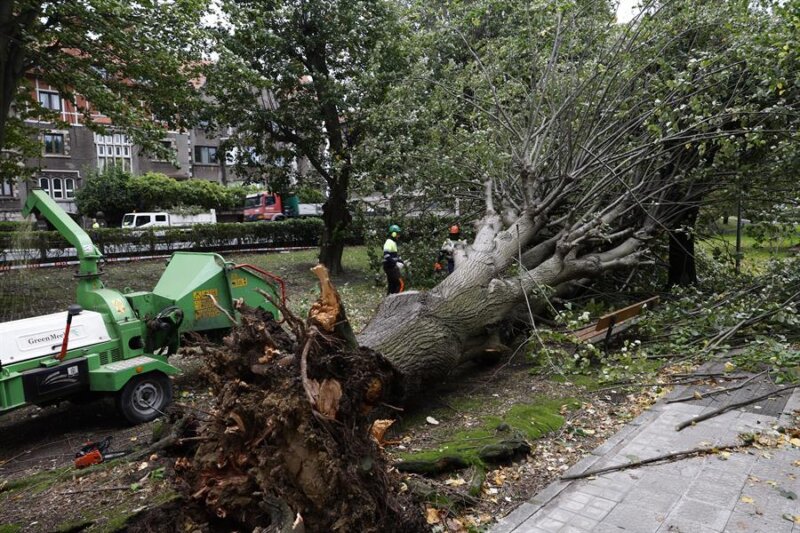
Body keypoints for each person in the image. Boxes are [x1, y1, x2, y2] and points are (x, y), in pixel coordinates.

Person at [383, 224, 405, 294]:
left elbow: (394, 256)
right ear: (393, 233)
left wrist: (401, 261)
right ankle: (396, 301)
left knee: (392, 286)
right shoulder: (389, 242)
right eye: (397, 234)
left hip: (390, 266)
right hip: (390, 267)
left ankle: (388, 301)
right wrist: (395, 263)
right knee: (400, 284)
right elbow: (386, 255)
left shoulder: (393, 242)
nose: (399, 236)